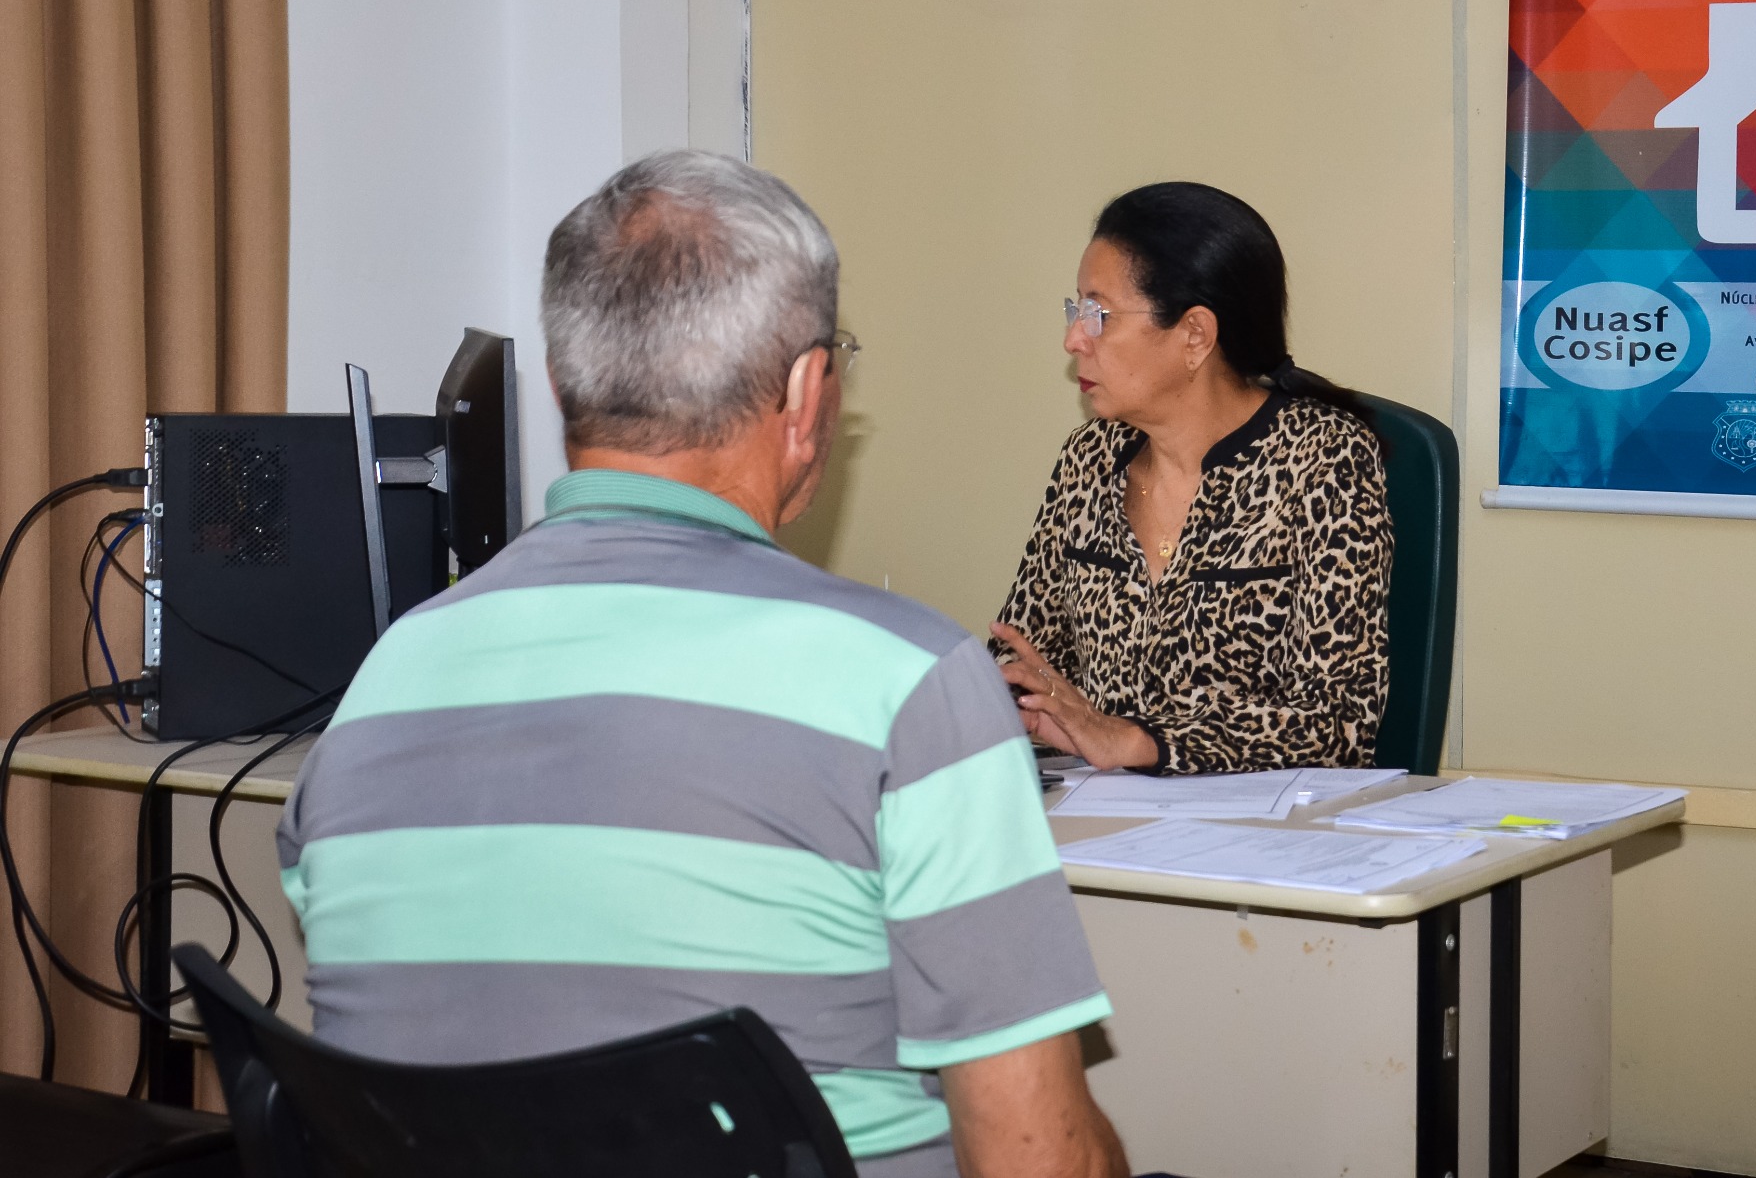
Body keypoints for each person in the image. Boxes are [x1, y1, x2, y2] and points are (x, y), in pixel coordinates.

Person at [276, 151, 1128, 1178]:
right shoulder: (910, 682)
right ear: (811, 393)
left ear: (562, 385)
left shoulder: (386, 677)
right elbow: (1039, 1163)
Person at [991, 182, 1391, 775]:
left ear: (1196, 335)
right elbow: (1026, 658)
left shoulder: (1322, 459)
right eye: (1076, 310)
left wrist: (1136, 742)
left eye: (1098, 314)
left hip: (1260, 843)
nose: (1074, 338)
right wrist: (1007, 701)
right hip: (1104, 827)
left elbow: (1338, 723)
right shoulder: (1089, 459)